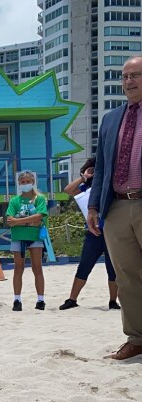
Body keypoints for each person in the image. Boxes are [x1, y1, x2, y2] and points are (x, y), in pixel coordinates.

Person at [87, 56, 142, 360]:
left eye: (136, 75)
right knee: (126, 276)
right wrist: (94, 205)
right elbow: (102, 166)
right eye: (124, 76)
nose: (129, 81)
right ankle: (136, 339)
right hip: (117, 207)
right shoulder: (110, 119)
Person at [62, 158, 120, 311]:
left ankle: (113, 300)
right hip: (93, 232)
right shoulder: (86, 188)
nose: (94, 172)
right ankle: (72, 298)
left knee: (112, 268)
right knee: (85, 265)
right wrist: (84, 177)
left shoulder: (111, 186)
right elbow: (68, 190)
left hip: (111, 230)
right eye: (91, 169)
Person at [5, 170, 48, 311]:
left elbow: (40, 216)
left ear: (33, 182)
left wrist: (19, 221)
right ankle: (17, 299)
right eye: (22, 182)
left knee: (37, 267)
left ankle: (40, 299)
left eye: (28, 182)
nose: (25, 184)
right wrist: (29, 222)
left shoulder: (39, 198)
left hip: (34, 237)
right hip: (18, 237)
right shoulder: (14, 201)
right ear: (19, 183)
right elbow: (9, 220)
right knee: (18, 268)